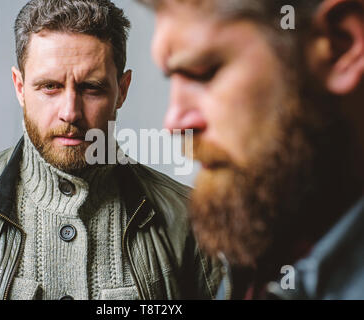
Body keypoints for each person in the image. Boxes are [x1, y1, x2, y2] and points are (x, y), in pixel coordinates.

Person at [0, 0, 218, 300]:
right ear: (19, 88)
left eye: (92, 88)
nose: (70, 112)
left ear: (122, 90)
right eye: (50, 87)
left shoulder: (192, 224)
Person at [140, 0, 364, 299]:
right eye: (173, 78)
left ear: (340, 46)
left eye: (203, 72)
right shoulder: (258, 243)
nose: (174, 122)